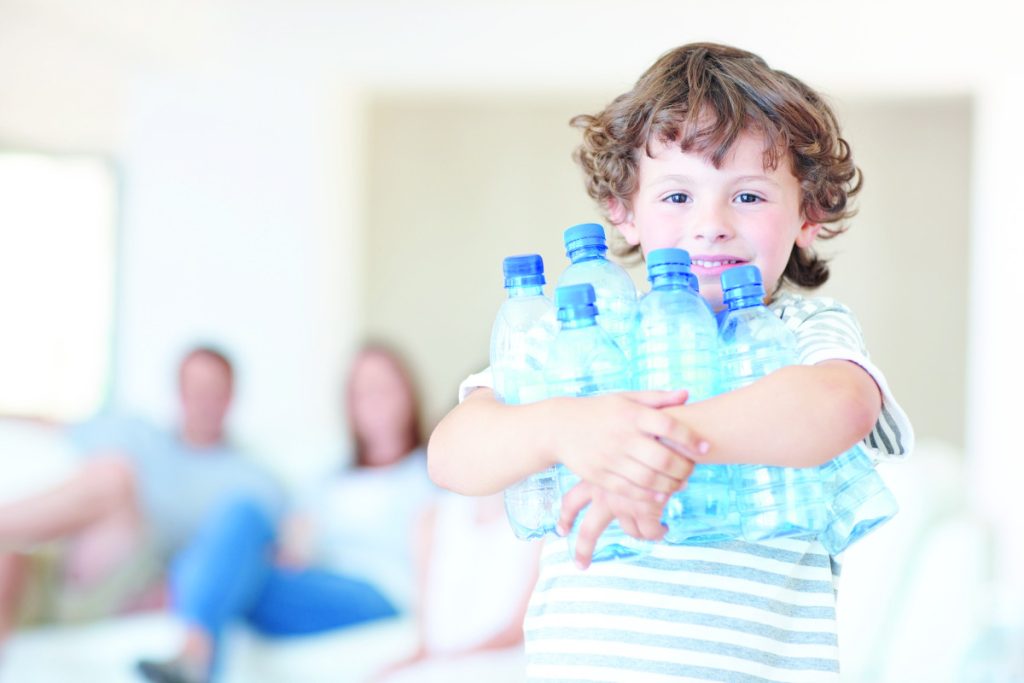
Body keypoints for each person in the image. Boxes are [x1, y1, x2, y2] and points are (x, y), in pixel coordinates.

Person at [428, 42, 915, 681]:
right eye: (678, 197)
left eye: (747, 197)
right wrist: (567, 428)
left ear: (810, 215)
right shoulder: (589, 336)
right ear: (622, 211)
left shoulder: (800, 330)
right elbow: (452, 452)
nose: (710, 224)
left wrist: (658, 444)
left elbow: (841, 405)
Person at [137, 343, 437, 683]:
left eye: (383, 389)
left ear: (409, 395)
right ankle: (195, 654)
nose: (373, 402)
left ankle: (195, 656)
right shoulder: (327, 480)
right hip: (312, 582)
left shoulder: (429, 473)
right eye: (361, 392)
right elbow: (295, 546)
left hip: (380, 593)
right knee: (242, 512)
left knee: (205, 571)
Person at [0, 346, 283, 644]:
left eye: (215, 392)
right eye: (195, 391)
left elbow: (270, 556)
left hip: (138, 576)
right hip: (65, 559)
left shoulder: (252, 479)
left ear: (231, 397)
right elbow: (54, 425)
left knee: (115, 477)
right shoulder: (140, 435)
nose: (204, 404)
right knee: (7, 559)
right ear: (179, 392)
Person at [371, 491, 542, 683]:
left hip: (500, 662)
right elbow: (424, 623)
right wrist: (416, 661)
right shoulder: (432, 515)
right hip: (440, 662)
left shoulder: (536, 519)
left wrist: (440, 664)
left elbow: (515, 632)